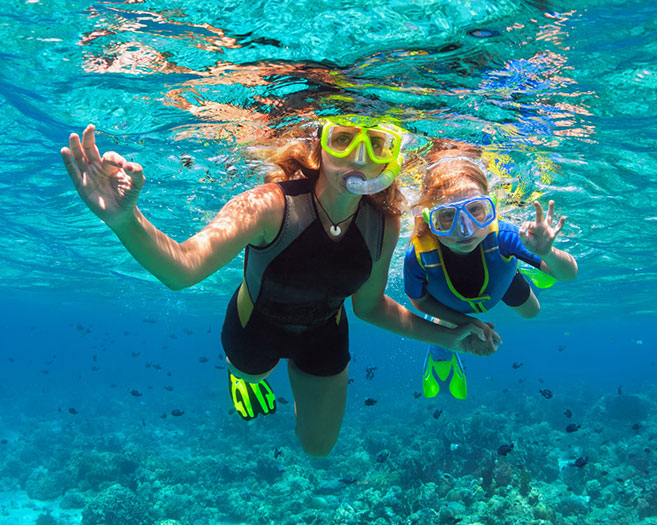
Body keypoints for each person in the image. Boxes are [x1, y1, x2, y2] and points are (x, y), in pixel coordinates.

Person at [60, 117, 498, 457]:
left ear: (390, 157)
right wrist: (124, 219)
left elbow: (369, 307)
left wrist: (450, 336)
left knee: (318, 448)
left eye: (377, 144)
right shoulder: (270, 204)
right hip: (256, 326)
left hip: (325, 331)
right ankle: (243, 376)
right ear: (319, 146)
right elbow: (183, 269)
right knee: (251, 373)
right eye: (343, 139)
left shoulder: (385, 222)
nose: (359, 158)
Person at [404, 142, 578, 400]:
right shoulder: (419, 255)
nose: (465, 230)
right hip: (449, 304)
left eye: (476, 211)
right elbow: (418, 301)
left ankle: (530, 265)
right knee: (449, 325)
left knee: (533, 312)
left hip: (501, 280)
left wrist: (547, 253)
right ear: (430, 220)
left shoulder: (505, 236)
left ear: (491, 208)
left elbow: (569, 275)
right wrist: (467, 323)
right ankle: (442, 348)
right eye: (447, 217)